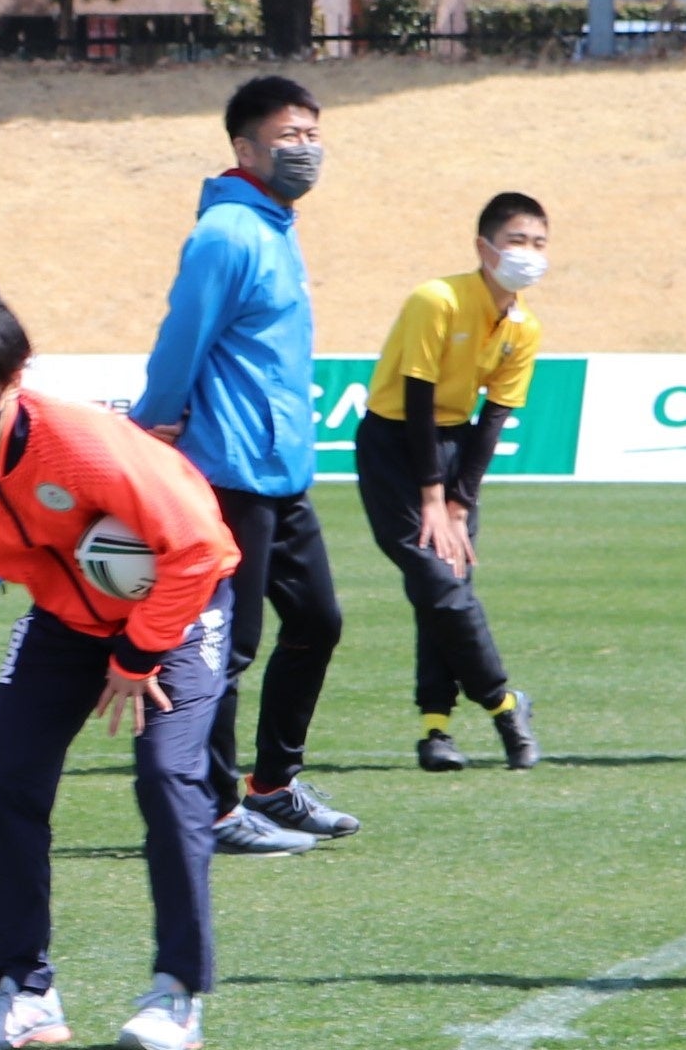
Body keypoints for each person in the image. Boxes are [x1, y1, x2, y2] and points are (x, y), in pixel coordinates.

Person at [0, 294, 241, 1050]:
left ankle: (177, 992)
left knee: (167, 779)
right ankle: (24, 991)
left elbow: (200, 546)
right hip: (62, 623)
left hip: (177, 610)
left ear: (12, 379)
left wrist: (137, 657)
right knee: (5, 785)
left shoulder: (81, 444)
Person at [128, 75, 351, 852]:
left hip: (280, 473)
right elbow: (180, 338)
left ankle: (273, 786)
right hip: (226, 472)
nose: (305, 150)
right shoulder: (226, 232)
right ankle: (215, 809)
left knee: (317, 623)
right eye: (288, 137)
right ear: (243, 148)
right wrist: (152, 428)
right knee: (226, 647)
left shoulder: (274, 225)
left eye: (311, 135)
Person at [353, 192, 547, 773]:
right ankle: (505, 703)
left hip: (454, 447)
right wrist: (431, 495)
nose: (528, 254)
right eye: (516, 241)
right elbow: (415, 395)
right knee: (438, 582)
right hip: (394, 444)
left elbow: (493, 419)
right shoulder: (436, 299)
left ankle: (435, 730)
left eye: (539, 243)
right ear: (483, 247)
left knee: (442, 590)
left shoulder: (524, 327)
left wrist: (461, 499)